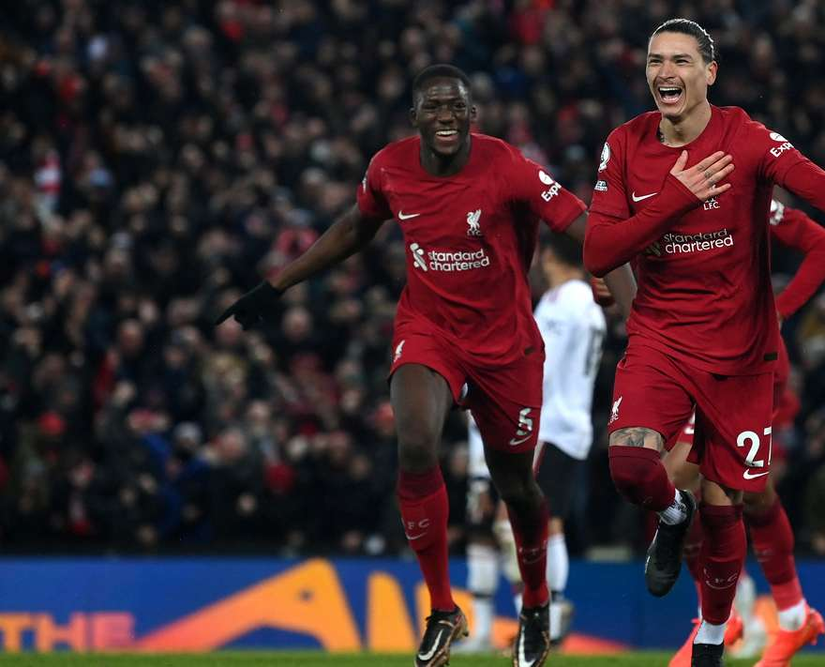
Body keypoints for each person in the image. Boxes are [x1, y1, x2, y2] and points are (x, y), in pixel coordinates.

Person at [217, 64, 631, 667]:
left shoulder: (506, 165)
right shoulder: (388, 168)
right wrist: (277, 284)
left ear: (472, 115)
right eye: (434, 106)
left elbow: (585, 225)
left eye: (456, 106)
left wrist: (639, 306)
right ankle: (443, 609)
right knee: (414, 444)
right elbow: (355, 227)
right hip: (429, 329)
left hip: (506, 346)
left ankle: (536, 604)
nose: (446, 116)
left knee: (517, 488)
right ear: (414, 117)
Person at [583, 18, 825, 667]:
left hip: (740, 352)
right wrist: (673, 201)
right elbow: (598, 249)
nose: (665, 72)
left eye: (680, 60)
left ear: (710, 73)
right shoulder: (625, 145)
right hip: (662, 339)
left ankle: (722, 632)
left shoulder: (744, 144)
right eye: (655, 60)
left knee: (735, 495)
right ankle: (690, 534)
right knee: (636, 468)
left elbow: (812, 189)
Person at [665, 201, 825, 667]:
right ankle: (792, 615)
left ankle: (717, 619)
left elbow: (824, 245)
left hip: (748, 358)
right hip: (690, 352)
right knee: (748, 490)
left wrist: (780, 311)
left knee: (680, 477)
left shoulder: (746, 196)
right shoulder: (664, 195)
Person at [459, 234, 608, 650]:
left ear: (549, 256)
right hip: (571, 422)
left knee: (514, 522)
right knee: (549, 521)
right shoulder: (587, 302)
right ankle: (550, 617)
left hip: (549, 425)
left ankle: (542, 617)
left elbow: (540, 365)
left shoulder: (563, 302)